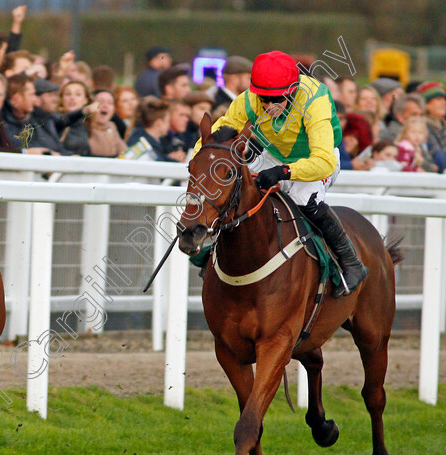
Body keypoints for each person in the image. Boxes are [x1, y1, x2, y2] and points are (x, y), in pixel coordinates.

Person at [200, 50, 367, 298]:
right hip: (274, 153)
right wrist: (201, 162)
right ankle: (211, 250)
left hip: (317, 157)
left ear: (293, 90)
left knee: (303, 198)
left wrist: (284, 172)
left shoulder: (314, 100)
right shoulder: (247, 101)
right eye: (263, 99)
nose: (268, 105)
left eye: (276, 99)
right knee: (236, 184)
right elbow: (212, 138)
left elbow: (323, 161)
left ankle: (350, 261)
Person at [125, 96, 171, 161]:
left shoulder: (156, 141)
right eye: (167, 121)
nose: (169, 125)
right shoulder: (139, 141)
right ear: (159, 123)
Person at [87, 89, 126, 158]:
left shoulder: (112, 126)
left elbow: (124, 152)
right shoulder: (84, 126)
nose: (105, 106)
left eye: (110, 103)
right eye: (100, 102)